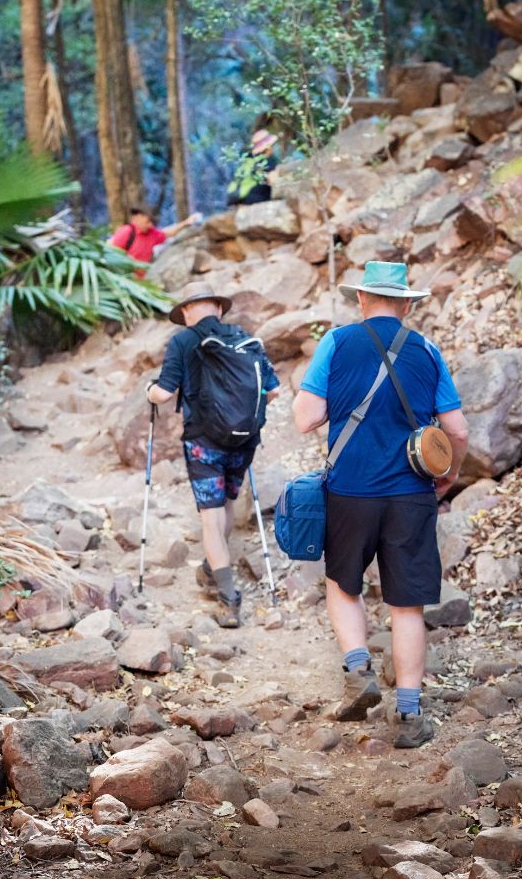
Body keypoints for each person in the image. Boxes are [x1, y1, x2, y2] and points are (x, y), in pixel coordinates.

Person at [292, 260, 469, 749]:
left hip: (350, 490)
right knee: (406, 602)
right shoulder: (428, 350)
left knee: (342, 582)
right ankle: (409, 715)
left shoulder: (336, 342)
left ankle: (357, 671)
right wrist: (449, 475)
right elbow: (457, 430)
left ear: (362, 300)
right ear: (408, 304)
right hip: (413, 492)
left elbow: (307, 417)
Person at [146, 282, 280, 627]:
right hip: (243, 440)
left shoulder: (182, 341)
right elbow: (274, 390)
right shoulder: (244, 337)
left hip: (203, 441)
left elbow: (163, 393)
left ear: (188, 312)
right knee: (227, 503)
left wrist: (149, 391)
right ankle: (213, 566)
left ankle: (229, 597)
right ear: (217, 309)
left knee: (210, 514)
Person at [109, 206, 202, 267]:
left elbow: (168, 233)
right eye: (148, 222)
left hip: (144, 280)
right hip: (127, 280)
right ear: (137, 217)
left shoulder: (151, 233)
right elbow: (112, 254)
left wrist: (186, 223)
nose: (150, 225)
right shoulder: (126, 232)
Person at [227, 129, 280, 206]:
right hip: (258, 197)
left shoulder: (249, 161)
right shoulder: (268, 160)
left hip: (242, 197)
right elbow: (273, 180)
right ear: (268, 147)